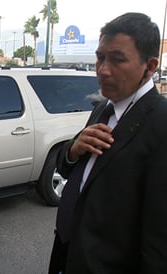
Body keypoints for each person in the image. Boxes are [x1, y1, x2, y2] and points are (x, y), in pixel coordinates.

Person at [49, 13, 167, 273]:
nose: (102, 69)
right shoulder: (103, 109)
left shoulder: (160, 123)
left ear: (149, 67)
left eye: (117, 59)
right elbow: (70, 170)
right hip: (68, 255)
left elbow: (159, 238)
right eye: (100, 57)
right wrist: (72, 150)